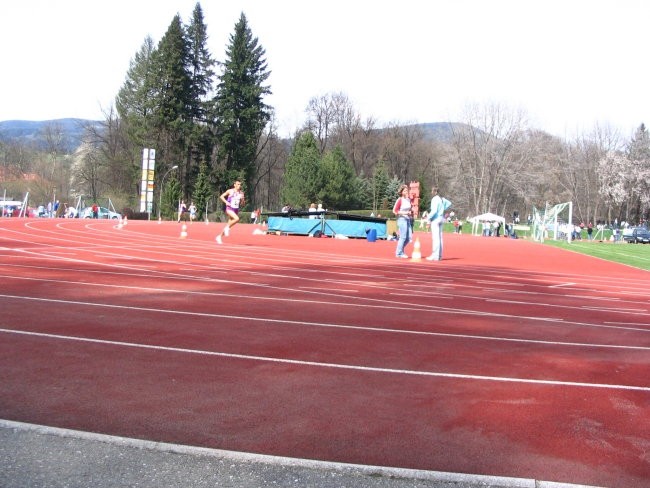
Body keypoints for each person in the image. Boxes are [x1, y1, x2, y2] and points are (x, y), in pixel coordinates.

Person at [426, 186, 451, 261]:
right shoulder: (441, 199)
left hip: (435, 219)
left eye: (432, 191)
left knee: (435, 238)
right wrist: (444, 207)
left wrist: (428, 218)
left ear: (435, 192)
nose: (431, 192)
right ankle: (439, 255)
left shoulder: (434, 199)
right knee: (440, 238)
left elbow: (434, 211)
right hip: (441, 218)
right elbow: (449, 203)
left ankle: (435, 255)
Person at [216, 180, 244, 244]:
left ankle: (219, 236)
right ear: (234, 185)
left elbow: (242, 203)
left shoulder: (241, 193)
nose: (239, 186)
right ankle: (227, 228)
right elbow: (221, 196)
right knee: (237, 219)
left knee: (228, 225)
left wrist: (242, 199)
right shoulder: (230, 191)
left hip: (236, 209)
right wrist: (226, 202)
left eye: (240, 184)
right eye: (238, 184)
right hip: (229, 208)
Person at [392, 184, 413, 258]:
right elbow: (394, 211)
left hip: (407, 219)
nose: (406, 191)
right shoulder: (400, 200)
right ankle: (399, 253)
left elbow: (409, 209)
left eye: (407, 190)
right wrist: (405, 213)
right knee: (403, 237)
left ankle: (400, 250)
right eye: (405, 190)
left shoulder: (408, 199)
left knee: (409, 238)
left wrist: (410, 212)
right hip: (401, 219)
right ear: (401, 192)